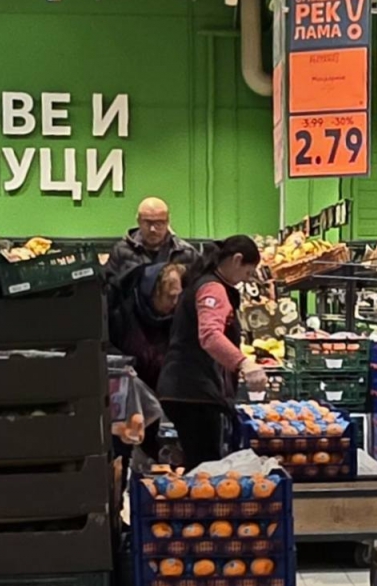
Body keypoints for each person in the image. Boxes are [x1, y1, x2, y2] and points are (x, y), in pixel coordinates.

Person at [157, 235, 266, 469]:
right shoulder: (213, 289)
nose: (245, 279)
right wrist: (244, 363)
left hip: (182, 389)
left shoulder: (202, 281)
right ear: (237, 260)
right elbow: (210, 335)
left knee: (199, 465)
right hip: (193, 391)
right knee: (205, 469)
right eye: (247, 272)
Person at [109, 261, 186, 393]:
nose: (175, 302)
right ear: (154, 293)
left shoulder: (176, 320)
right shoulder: (122, 317)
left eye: (178, 296)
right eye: (170, 296)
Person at [105, 197, 197, 281]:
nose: (152, 229)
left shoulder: (186, 253)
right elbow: (109, 288)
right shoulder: (121, 251)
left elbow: (196, 288)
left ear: (167, 222)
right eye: (147, 223)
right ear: (138, 221)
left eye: (159, 223)